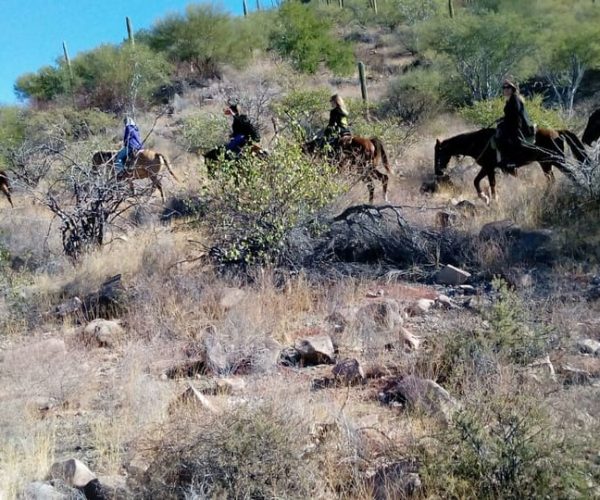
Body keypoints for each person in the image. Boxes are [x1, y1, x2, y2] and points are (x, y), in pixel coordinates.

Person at [495, 79, 535, 169]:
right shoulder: (510, 100)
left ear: (513, 89)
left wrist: (504, 120)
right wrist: (502, 119)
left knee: (505, 139)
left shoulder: (515, 99)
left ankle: (512, 161)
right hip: (513, 124)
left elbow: (515, 114)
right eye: (504, 87)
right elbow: (509, 114)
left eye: (508, 87)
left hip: (518, 125)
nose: (505, 89)